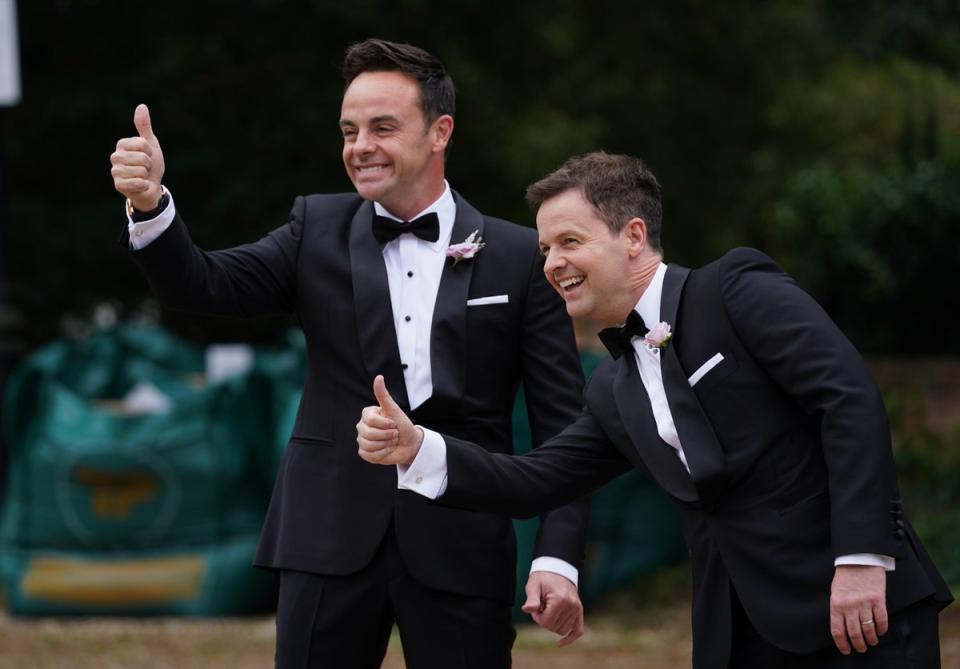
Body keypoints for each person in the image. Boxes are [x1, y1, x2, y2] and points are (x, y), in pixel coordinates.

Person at [356, 151, 954, 668]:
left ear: (634, 236)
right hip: (737, 634)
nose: (551, 263)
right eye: (544, 248)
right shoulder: (611, 389)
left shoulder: (736, 289)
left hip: (855, 605)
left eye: (570, 241)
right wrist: (421, 448)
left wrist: (860, 558)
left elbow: (847, 399)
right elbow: (536, 478)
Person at [110, 39, 591, 669]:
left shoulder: (516, 256)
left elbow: (566, 432)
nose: (359, 146)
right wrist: (152, 209)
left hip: (462, 543)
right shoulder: (316, 230)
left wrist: (557, 559)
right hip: (325, 536)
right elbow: (201, 285)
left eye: (382, 127)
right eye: (349, 130)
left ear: (440, 131)